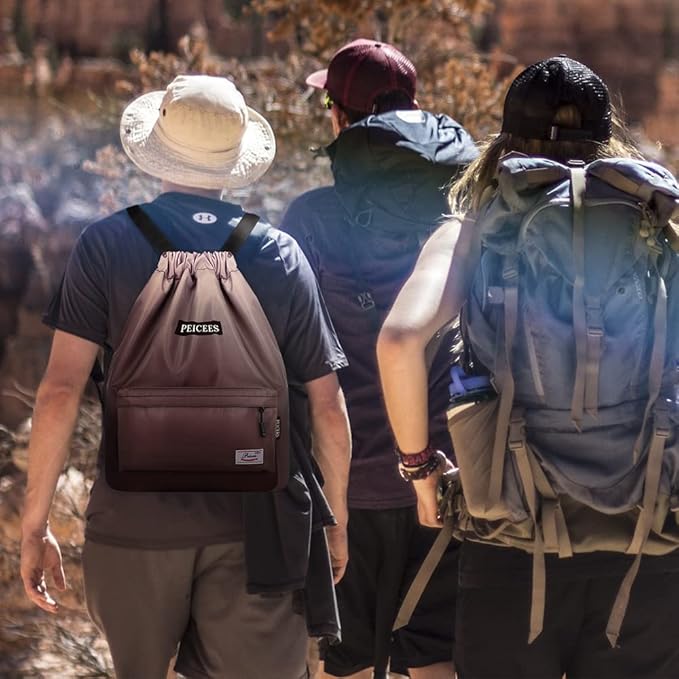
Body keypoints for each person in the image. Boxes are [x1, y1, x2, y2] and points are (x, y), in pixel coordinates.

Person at [20, 74, 352, 679]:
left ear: (157, 150)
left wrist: (35, 525)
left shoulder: (105, 245)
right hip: (257, 530)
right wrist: (339, 522)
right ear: (235, 159)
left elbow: (60, 391)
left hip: (132, 522)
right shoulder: (279, 255)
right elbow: (328, 406)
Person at [377, 56, 679, 679]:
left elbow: (401, 340)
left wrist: (421, 470)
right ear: (608, 137)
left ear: (506, 139)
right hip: (647, 530)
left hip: (510, 532)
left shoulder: (473, 229)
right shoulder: (659, 225)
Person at [280, 39, 478, 679]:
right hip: (447, 475)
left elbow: (286, 360)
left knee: (349, 663)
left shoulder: (310, 219)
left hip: (349, 485)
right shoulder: (460, 213)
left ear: (341, 118)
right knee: (437, 657)